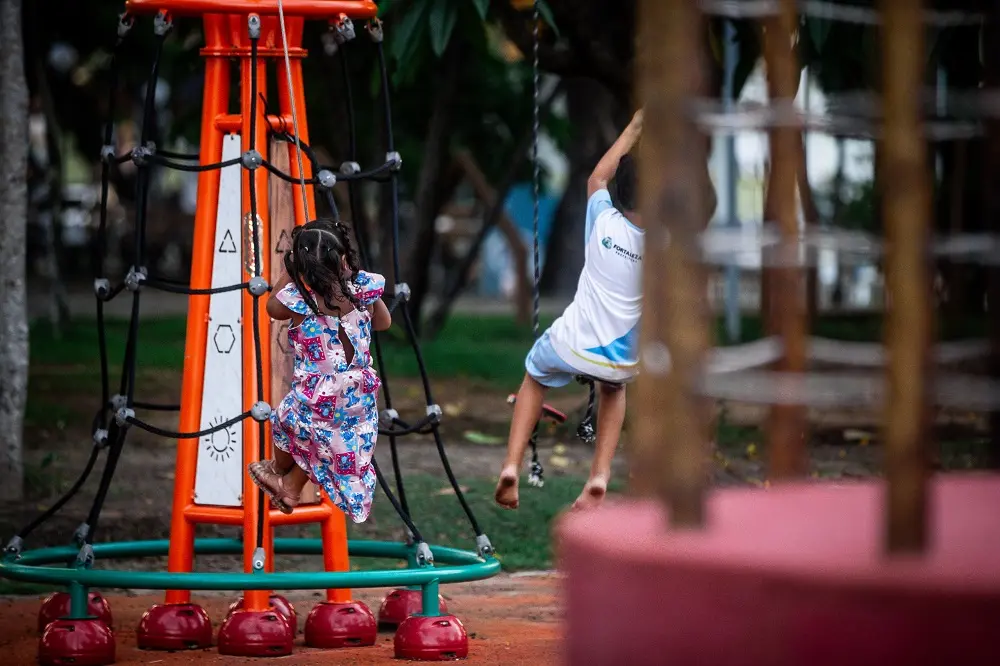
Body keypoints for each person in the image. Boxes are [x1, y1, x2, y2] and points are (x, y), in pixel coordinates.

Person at [495, 109, 645, 511]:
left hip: (572, 344)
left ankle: (511, 466)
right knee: (614, 390)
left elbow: (596, 177)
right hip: (621, 358)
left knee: (533, 374)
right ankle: (599, 476)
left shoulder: (602, 219)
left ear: (621, 194)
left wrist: (633, 128)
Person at [248, 218, 391, 523]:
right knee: (322, 444)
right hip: (357, 397)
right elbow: (383, 323)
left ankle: (278, 472)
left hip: (317, 396)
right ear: (342, 259)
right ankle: (289, 487)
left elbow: (271, 308)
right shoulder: (362, 290)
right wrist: (367, 297)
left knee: (287, 424)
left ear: (302, 265)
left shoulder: (300, 301)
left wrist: (290, 273)